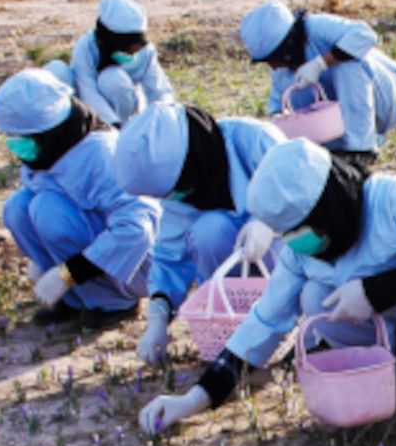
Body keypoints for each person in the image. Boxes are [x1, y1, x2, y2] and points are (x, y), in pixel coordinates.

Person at [139, 139, 396, 443]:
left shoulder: (394, 201)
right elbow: (266, 319)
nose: (293, 242)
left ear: (329, 205)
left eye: (299, 229)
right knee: (314, 299)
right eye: (286, 234)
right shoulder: (303, 252)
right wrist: (195, 398)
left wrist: (378, 290)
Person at [113, 102, 287, 364]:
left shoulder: (254, 140)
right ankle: (236, 324)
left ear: (193, 158)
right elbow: (170, 258)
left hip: (287, 254)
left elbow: (304, 191)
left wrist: (269, 222)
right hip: (235, 278)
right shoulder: (181, 192)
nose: (179, 197)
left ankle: (280, 319)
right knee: (209, 230)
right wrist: (158, 318)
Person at [0, 69, 163, 327]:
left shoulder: (102, 155)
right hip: (92, 241)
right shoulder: (50, 147)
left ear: (46, 130)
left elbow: (137, 229)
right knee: (17, 207)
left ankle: (113, 303)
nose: (16, 146)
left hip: (138, 264)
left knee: (47, 210)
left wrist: (68, 273)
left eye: (22, 138)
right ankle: (73, 300)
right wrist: (45, 261)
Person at [239, 1, 396, 165]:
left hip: (387, 97)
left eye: (272, 59)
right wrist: (280, 118)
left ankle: (361, 150)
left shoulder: (317, 27)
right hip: (344, 123)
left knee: (347, 62)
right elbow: (277, 105)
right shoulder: (282, 70)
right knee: (295, 94)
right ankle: (341, 151)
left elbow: (365, 35)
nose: (273, 66)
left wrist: (321, 63)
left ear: (286, 46)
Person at [44, 0, 174, 127]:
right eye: (130, 47)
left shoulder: (146, 52)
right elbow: (87, 90)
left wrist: (165, 119)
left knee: (111, 78)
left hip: (124, 115)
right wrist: (110, 122)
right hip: (86, 112)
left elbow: (159, 91)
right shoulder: (86, 46)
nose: (134, 52)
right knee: (56, 71)